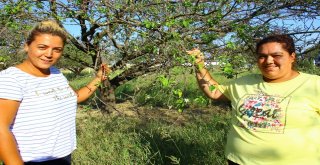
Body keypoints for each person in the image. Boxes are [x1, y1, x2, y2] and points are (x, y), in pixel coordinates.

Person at [187, 34, 320, 165]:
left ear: (292, 57)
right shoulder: (244, 82)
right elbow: (214, 92)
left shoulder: (314, 84)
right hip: (238, 161)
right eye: (262, 56)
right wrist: (199, 65)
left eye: (276, 55)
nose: (268, 61)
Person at [0, 20, 111, 165]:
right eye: (42, 47)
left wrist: (98, 78)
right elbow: (1, 128)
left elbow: (75, 97)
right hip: (31, 160)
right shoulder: (12, 79)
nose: (49, 54)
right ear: (27, 46)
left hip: (62, 156)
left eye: (57, 49)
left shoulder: (55, 73)